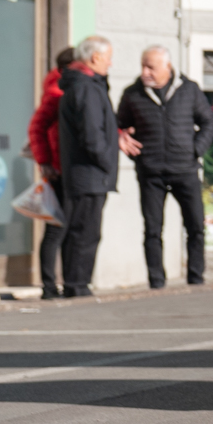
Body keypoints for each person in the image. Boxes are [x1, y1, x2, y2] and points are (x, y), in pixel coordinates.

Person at [116, 45, 213, 288]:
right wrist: (129, 146)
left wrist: (195, 150)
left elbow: (209, 123)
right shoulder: (133, 94)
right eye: (143, 66)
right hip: (151, 172)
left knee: (195, 226)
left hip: (186, 169)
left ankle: (195, 278)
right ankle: (157, 282)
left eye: (150, 67)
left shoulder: (189, 89)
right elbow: (120, 127)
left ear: (167, 67)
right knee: (152, 230)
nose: (145, 72)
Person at [56, 36, 127, 298]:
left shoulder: (85, 85)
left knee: (83, 231)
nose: (110, 62)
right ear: (95, 58)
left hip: (87, 173)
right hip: (88, 173)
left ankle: (77, 283)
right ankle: (77, 285)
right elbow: (91, 135)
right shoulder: (86, 87)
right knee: (84, 232)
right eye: (108, 57)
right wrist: (107, 160)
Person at [27, 47, 77, 296]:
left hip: (67, 168)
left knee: (65, 228)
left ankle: (65, 283)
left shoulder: (63, 89)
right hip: (58, 170)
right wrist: (45, 162)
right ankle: (48, 286)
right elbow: (36, 127)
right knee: (56, 229)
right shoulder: (56, 91)